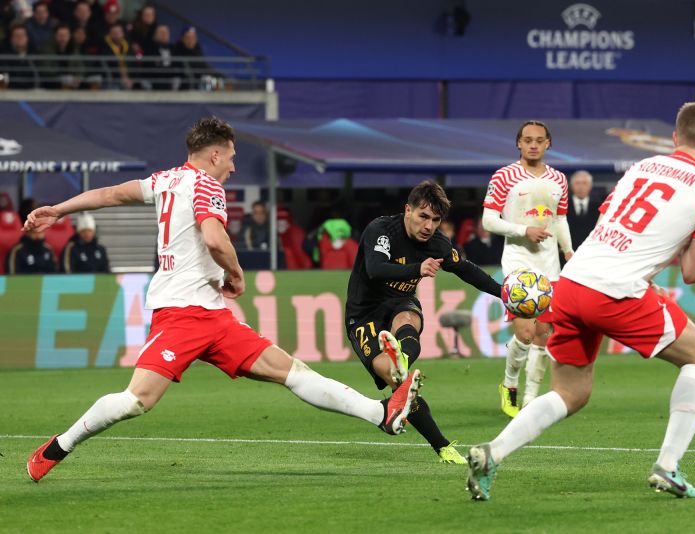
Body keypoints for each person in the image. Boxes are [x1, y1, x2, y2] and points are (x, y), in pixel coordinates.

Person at [24, 117, 422, 483]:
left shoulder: (165, 180)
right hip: (181, 315)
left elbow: (112, 194)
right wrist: (235, 273)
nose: (232, 167)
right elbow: (215, 238)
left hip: (213, 317)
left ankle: (380, 413)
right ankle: (57, 447)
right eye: (231, 157)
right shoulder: (206, 185)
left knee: (291, 371)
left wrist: (59, 210)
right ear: (214, 154)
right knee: (136, 400)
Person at [466, 102, 695, 501]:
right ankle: (668, 465)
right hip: (616, 290)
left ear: (675, 138)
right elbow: (694, 271)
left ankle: (493, 452)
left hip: (572, 283)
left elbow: (608, 224)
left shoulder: (639, 168)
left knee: (571, 392)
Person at [345, 180, 503, 464]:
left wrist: (503, 293)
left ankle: (402, 356)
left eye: (436, 219)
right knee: (396, 381)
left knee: (408, 318)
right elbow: (375, 268)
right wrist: (417, 268)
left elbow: (466, 270)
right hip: (364, 312)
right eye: (423, 216)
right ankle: (441, 445)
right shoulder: (381, 230)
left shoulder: (437, 244)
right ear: (408, 210)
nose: (429, 226)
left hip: (400, 301)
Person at [481, 120, 573, 417]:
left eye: (539, 140)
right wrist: (524, 230)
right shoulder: (505, 176)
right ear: (518, 144)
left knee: (544, 333)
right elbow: (489, 220)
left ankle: (531, 399)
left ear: (549, 143)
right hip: (518, 262)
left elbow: (559, 220)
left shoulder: (559, 179)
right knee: (524, 330)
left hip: (549, 265)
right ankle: (509, 385)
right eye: (527, 140)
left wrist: (568, 251)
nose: (533, 145)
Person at [566, 170, 602, 251]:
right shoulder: (562, 206)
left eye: (584, 183)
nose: (581, 187)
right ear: (571, 186)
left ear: (590, 186)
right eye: (577, 183)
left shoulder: (600, 208)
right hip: (567, 253)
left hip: (592, 252)